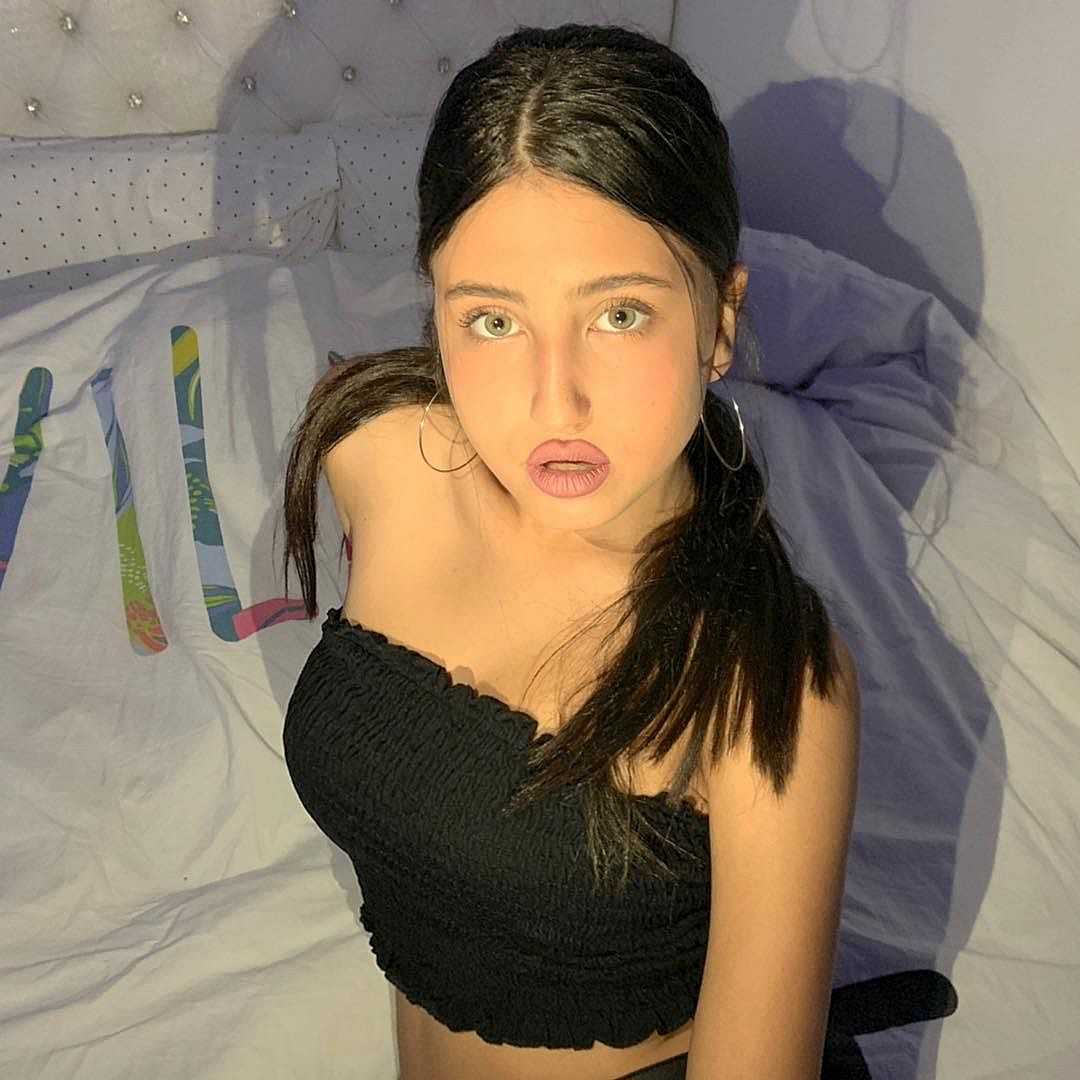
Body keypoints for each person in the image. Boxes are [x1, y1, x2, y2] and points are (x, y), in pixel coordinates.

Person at [281, 22, 862, 1079]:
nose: (556, 403)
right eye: (493, 322)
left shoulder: (762, 683)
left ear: (719, 322)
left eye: (620, 314)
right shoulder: (380, 454)